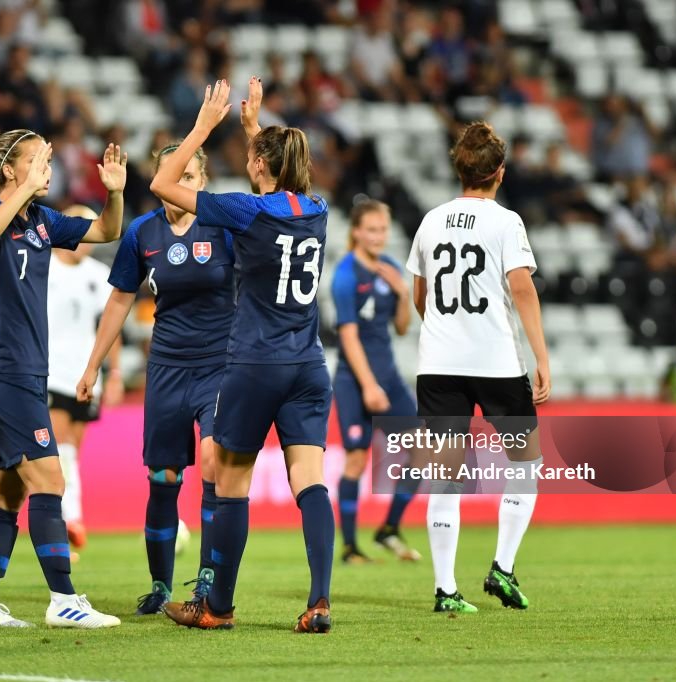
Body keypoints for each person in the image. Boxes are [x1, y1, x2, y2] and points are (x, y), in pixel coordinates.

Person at [155, 78, 335, 633]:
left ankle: (217, 607)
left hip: (255, 364)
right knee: (310, 481)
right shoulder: (319, 209)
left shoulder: (242, 212)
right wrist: (258, 133)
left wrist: (204, 127)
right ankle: (320, 602)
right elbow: (281, 182)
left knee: (230, 485)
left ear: (258, 165)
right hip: (308, 365)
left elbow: (163, 182)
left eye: (252, 156)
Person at [0, 127, 127, 630]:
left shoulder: (42, 222)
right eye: (38, 162)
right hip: (7, 370)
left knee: (8, 494)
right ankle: (63, 598)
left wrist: (114, 192)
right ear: (10, 170)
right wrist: (23, 190)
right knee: (51, 479)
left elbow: (106, 232)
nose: (48, 170)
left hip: (28, 372)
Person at [76, 143, 235, 615]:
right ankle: (161, 586)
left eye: (189, 176)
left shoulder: (224, 225)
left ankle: (207, 582)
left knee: (213, 464)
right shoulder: (142, 233)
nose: (180, 184)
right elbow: (120, 302)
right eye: (173, 175)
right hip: (167, 368)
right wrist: (93, 366)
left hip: (219, 367)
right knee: (163, 477)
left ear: (203, 181)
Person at [405, 121, 550, 614]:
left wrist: (448, 335)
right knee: (527, 464)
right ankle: (502, 568)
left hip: (438, 365)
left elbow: (420, 297)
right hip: (495, 361)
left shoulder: (430, 220)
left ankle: (446, 591)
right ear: (500, 173)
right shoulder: (505, 223)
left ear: (460, 169)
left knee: (445, 478)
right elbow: (523, 288)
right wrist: (541, 357)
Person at [331, 199, 421, 564]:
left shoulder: (390, 269)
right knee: (355, 460)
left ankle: (389, 529)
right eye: (371, 229)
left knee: (423, 448)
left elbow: (401, 328)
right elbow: (349, 337)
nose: (378, 236)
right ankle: (351, 547)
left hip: (389, 376)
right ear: (356, 232)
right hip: (355, 381)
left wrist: (402, 294)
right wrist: (368, 385)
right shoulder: (345, 275)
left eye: (383, 229)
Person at [47, 204, 124, 559]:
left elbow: (111, 328)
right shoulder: (43, 265)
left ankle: (59, 521)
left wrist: (114, 373)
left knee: (70, 453)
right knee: (58, 450)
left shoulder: (98, 274)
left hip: (85, 375)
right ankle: (69, 521)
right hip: (50, 373)